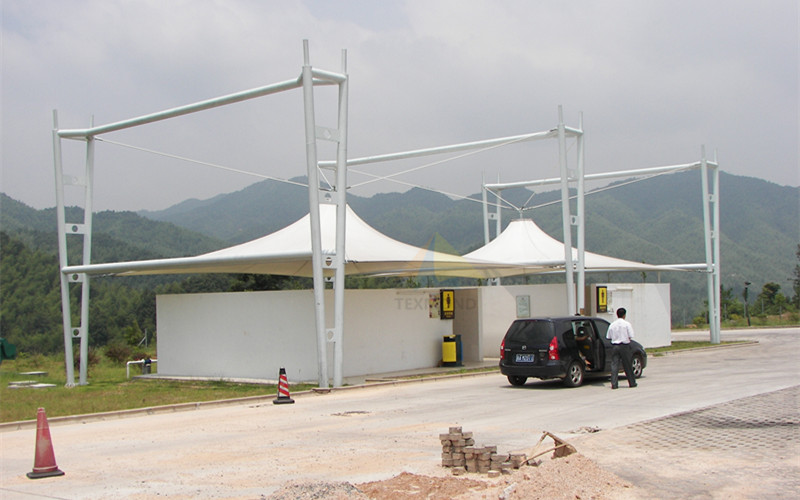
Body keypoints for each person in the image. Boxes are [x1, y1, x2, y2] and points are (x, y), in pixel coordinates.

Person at [606, 308, 637, 389]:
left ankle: (614, 384)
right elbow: (631, 335)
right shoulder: (627, 324)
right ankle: (632, 382)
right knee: (627, 365)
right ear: (624, 315)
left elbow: (608, 336)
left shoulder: (612, 325)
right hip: (624, 346)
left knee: (614, 365)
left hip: (615, 346)